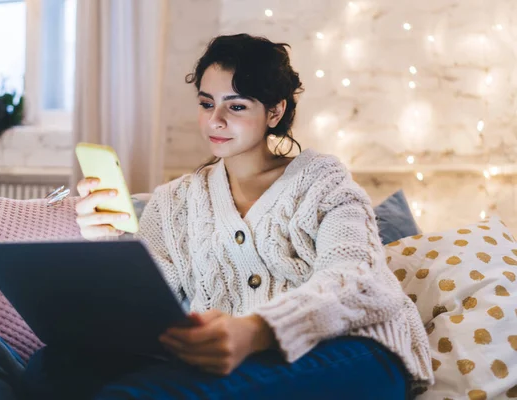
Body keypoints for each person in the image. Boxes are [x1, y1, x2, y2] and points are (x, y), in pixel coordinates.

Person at [23, 34, 433, 398]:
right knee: (50, 369)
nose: (215, 121)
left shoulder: (323, 181)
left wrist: (256, 330)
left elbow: (359, 281)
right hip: (233, 362)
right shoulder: (174, 202)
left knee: (144, 394)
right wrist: (110, 242)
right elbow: (150, 303)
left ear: (274, 112)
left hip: (352, 350)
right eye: (206, 103)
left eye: (235, 106)